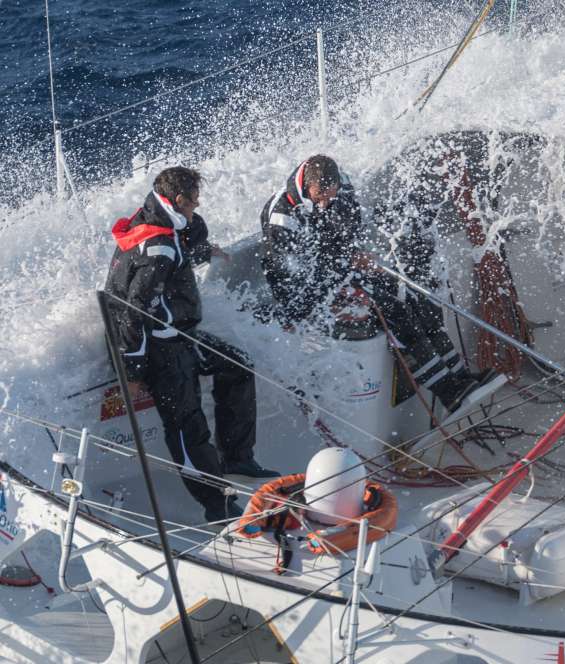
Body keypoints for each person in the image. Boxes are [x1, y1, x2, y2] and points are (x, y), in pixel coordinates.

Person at [103, 166, 278, 524]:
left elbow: (180, 254)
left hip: (180, 335)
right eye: (193, 202)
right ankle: (217, 505)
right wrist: (132, 370)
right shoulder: (159, 249)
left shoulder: (154, 218)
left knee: (238, 366)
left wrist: (203, 251)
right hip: (158, 350)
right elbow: (134, 312)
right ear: (177, 200)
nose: (196, 208)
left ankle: (237, 457)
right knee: (188, 427)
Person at [259, 155, 489, 412]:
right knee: (396, 311)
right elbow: (284, 277)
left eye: (330, 197)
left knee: (414, 298)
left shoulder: (339, 186)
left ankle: (461, 376)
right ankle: (449, 393)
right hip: (309, 288)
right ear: (307, 186)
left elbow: (348, 222)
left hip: (338, 268)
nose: (324, 204)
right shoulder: (282, 219)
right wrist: (338, 292)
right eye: (319, 197)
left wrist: (351, 256)